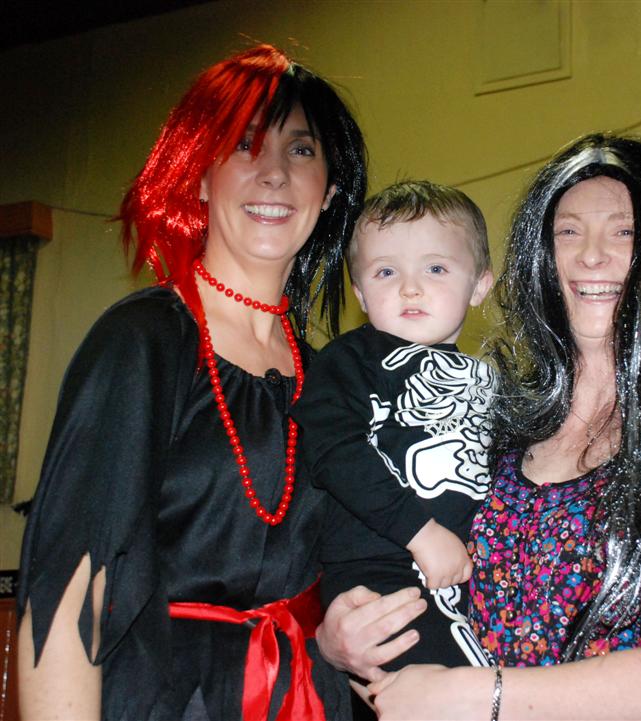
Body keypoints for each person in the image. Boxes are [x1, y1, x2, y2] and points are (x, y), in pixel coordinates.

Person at [317, 134, 641, 721]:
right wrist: (336, 643)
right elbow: (380, 551)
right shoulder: (496, 416)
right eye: (568, 232)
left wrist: (482, 697)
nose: (591, 256)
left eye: (624, 232)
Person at [17, 44, 366, 721]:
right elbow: (68, 594)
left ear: (327, 193)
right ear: (200, 177)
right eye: (243, 145)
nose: (273, 173)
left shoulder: (331, 378)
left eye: (300, 150)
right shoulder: (143, 340)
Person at [294, 181, 495, 671]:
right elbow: (333, 452)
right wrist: (419, 533)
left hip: (470, 580)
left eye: (435, 268)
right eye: (386, 272)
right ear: (361, 293)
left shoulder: (491, 379)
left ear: (480, 285)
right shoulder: (350, 361)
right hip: (380, 575)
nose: (410, 287)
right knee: (447, 689)